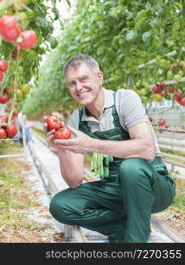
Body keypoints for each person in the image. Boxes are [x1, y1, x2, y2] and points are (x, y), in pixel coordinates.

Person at [47, 54, 176, 243]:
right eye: (72, 83)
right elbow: (74, 181)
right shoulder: (76, 119)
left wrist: (91, 144)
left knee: (130, 167)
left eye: (83, 79)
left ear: (99, 77)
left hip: (153, 187)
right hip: (114, 190)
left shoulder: (124, 99)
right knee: (61, 204)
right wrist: (62, 149)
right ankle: (129, 228)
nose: (78, 87)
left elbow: (146, 149)